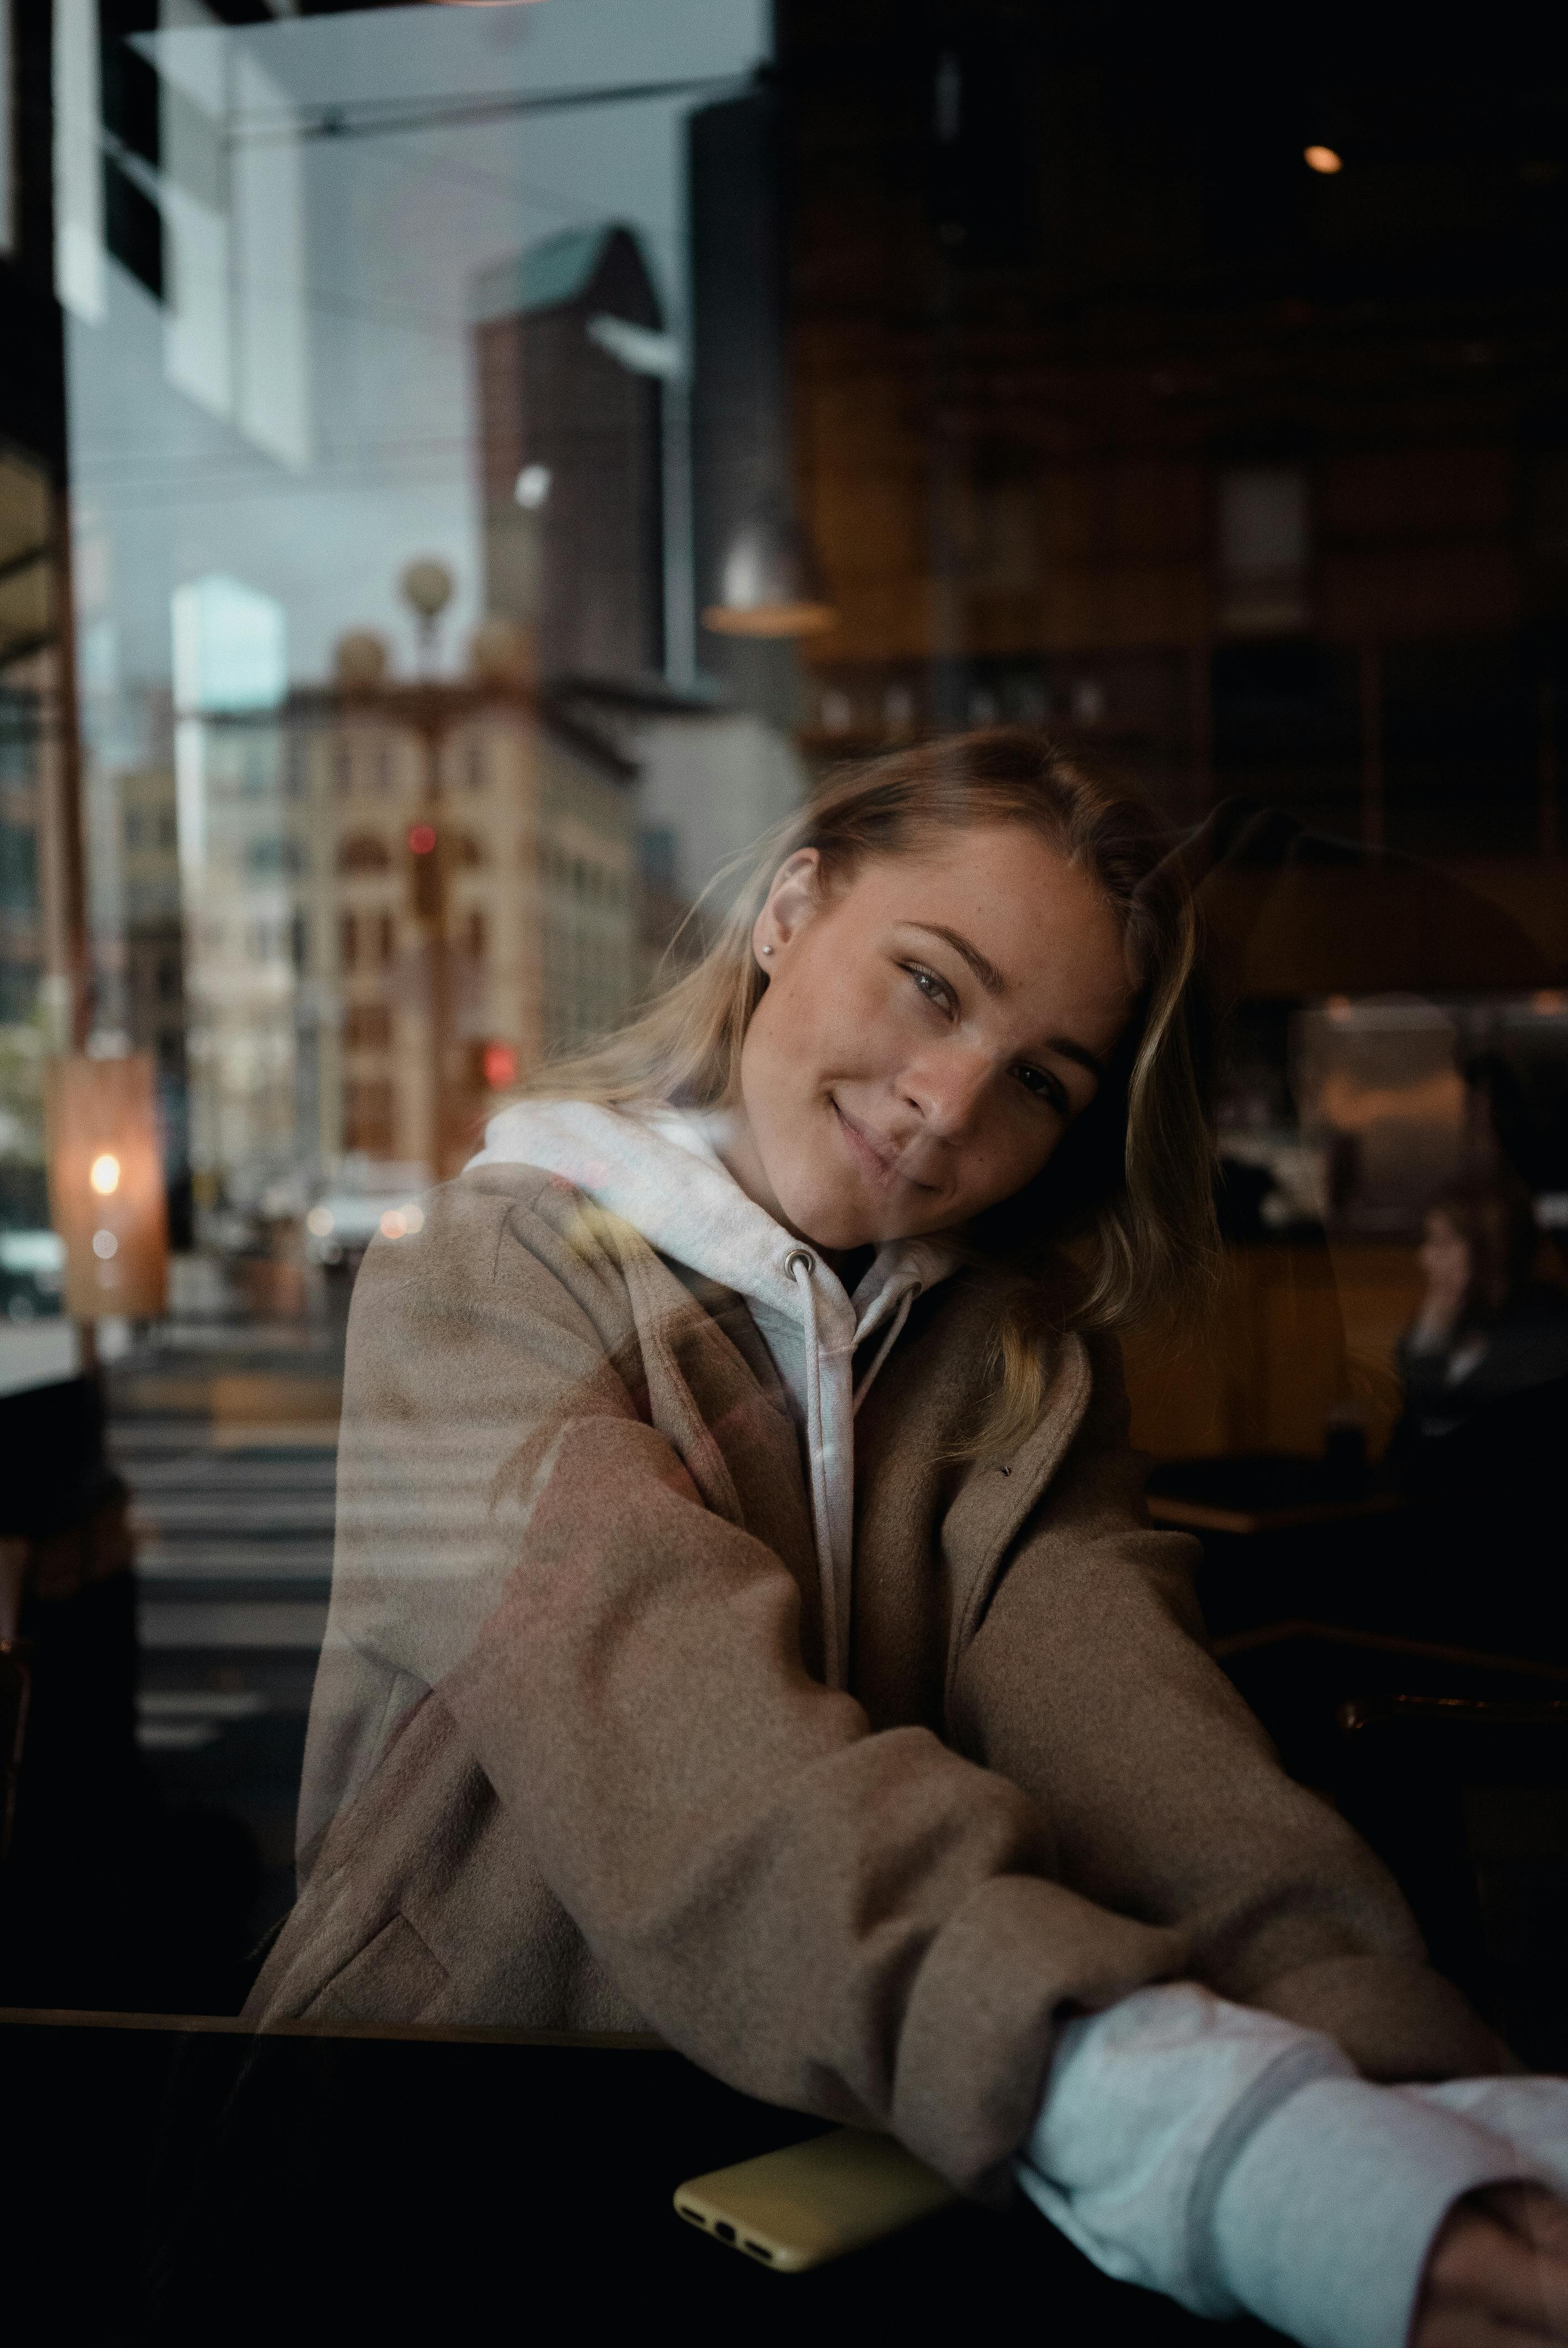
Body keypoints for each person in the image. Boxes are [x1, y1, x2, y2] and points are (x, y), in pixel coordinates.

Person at [246, 734, 1568, 2348]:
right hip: (428, 2177)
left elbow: (1155, 1761)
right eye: (935, 986)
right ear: (792, 911)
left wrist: (1418, 2099)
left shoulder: (1007, 1362)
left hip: (820, 2163)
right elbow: (689, 1751)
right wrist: (1208, 2132)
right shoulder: (482, 1281)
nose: (950, 1106)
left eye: (1040, 1081)